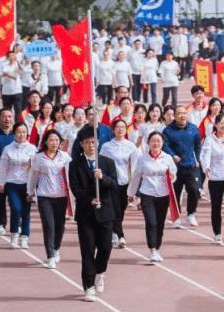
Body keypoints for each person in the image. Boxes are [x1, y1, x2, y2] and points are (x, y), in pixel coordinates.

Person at [69, 126, 118, 302]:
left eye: (93, 142)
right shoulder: (75, 164)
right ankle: (88, 287)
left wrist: (103, 178)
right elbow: (75, 188)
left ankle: (100, 272)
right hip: (86, 214)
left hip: (105, 212)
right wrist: (89, 199)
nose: (91, 145)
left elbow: (114, 185)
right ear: (81, 144)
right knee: (88, 251)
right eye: (87, 142)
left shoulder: (107, 162)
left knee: (105, 248)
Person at [128, 131, 178, 262]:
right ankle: (153, 249)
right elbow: (136, 176)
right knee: (151, 222)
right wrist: (131, 193)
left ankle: (157, 247)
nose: (155, 143)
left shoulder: (167, 158)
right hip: (147, 194)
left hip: (163, 194)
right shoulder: (142, 159)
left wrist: (172, 176)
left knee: (160, 223)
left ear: (162, 143)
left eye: (158, 141)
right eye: (153, 141)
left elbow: (174, 173)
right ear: (148, 143)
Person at [28, 130, 71, 269]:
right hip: (44, 196)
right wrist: (30, 192)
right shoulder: (38, 158)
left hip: (61, 196)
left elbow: (71, 174)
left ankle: (56, 248)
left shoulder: (65, 157)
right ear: (45, 141)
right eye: (51, 140)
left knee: (60, 226)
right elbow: (34, 176)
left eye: (57, 140)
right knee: (48, 225)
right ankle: (50, 256)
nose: (54, 143)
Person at [200, 113, 224, 245]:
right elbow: (205, 155)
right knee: (216, 206)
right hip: (215, 178)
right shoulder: (210, 140)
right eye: (221, 123)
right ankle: (217, 234)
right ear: (216, 125)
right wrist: (206, 167)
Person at [100, 119, 139, 249]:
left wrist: (133, 187)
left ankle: (114, 231)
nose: (120, 129)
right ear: (113, 130)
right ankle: (121, 235)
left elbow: (133, 167)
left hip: (125, 182)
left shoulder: (131, 146)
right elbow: (101, 164)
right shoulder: (106, 147)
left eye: (123, 127)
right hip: (110, 182)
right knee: (114, 209)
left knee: (121, 210)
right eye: (118, 127)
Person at [0, 121, 37, 249]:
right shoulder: (8, 149)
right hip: (12, 183)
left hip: (27, 184)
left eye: (24, 132)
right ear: (14, 133)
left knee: (26, 212)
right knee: (16, 209)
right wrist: (1, 183)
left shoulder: (32, 149)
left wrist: (34, 186)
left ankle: (24, 237)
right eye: (19, 132)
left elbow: (36, 169)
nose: (21, 134)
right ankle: (14, 234)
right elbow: (3, 167)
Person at [162, 105, 202, 228]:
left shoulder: (193, 129)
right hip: (175, 167)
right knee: (176, 193)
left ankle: (191, 213)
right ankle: (176, 217)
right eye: (179, 113)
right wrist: (172, 155)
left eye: (184, 113)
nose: (182, 115)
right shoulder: (168, 130)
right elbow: (165, 145)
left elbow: (198, 144)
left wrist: (197, 158)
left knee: (194, 190)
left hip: (190, 165)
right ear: (174, 116)